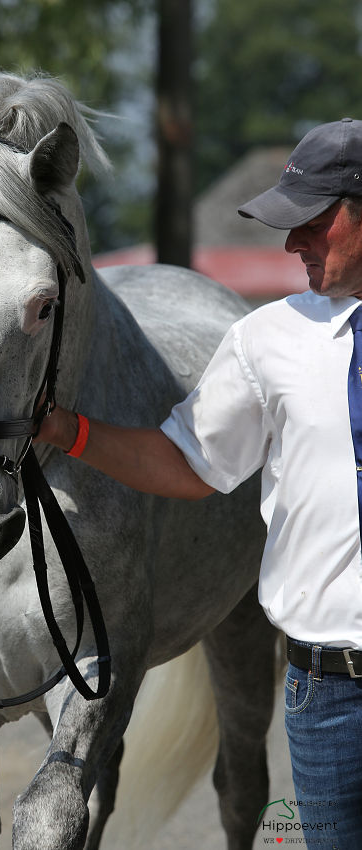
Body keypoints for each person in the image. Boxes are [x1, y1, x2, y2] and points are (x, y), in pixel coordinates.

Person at [36, 118, 362, 848]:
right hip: (328, 694)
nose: (291, 244)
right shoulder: (264, 340)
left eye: (312, 220)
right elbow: (187, 465)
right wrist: (68, 431)